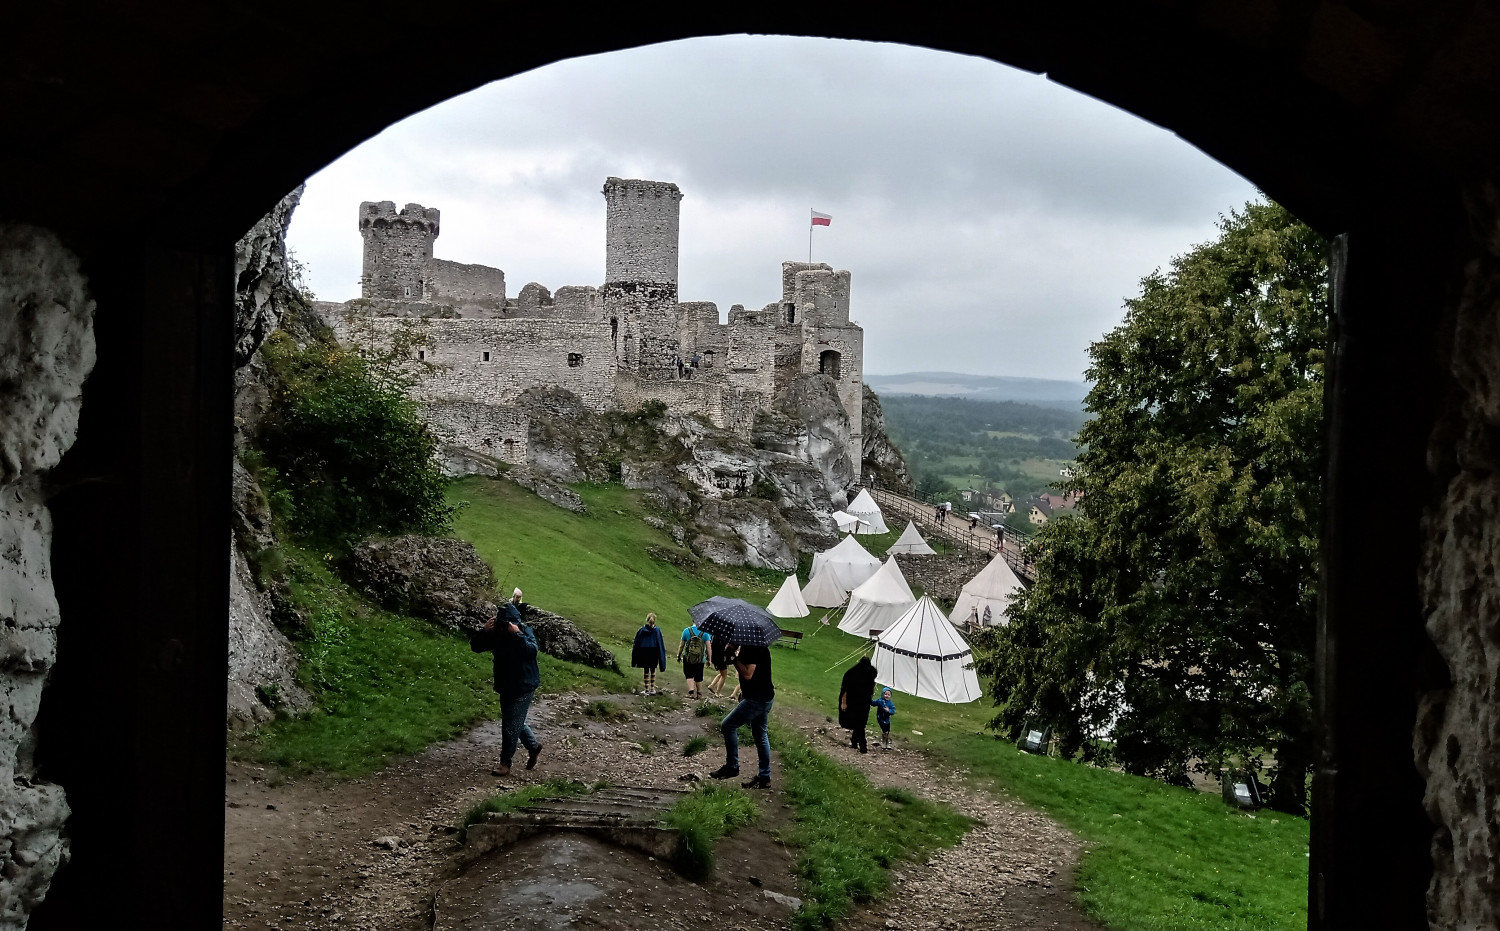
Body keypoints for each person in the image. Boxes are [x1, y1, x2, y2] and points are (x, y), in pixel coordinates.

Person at [468, 591, 542, 777]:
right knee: (513, 721)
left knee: (510, 724)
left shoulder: (525, 632)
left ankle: (505, 763)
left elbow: (531, 651)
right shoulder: (497, 634)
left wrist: (517, 635)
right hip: (506, 685)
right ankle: (533, 747)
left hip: (524, 685)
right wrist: (484, 632)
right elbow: (476, 647)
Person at [710, 642, 774, 788]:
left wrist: (733, 658)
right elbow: (758, 675)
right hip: (764, 696)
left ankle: (732, 766)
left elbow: (748, 673)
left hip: (757, 700)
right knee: (760, 735)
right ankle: (764, 777)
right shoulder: (755, 645)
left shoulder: (753, 647)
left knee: (728, 725)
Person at [838, 656, 878, 753]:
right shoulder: (866, 673)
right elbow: (846, 689)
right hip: (857, 702)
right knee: (860, 724)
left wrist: (843, 702)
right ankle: (858, 744)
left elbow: (845, 689)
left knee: (859, 724)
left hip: (859, 702)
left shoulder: (851, 673)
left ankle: (860, 745)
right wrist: (844, 702)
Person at [631, 613, 667, 695]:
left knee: (646, 670)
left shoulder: (642, 630)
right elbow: (659, 642)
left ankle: (646, 689)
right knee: (653, 670)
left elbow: (637, 641)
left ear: (647, 620)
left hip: (644, 651)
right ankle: (652, 688)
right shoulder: (657, 630)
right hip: (654, 652)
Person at [677, 620, 712, 699]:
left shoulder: (686, 631)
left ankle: (691, 691)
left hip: (688, 657)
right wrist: (709, 659)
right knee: (699, 675)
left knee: (689, 674)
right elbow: (709, 647)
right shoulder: (705, 633)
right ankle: (699, 693)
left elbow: (681, 645)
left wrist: (679, 655)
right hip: (700, 659)